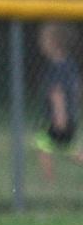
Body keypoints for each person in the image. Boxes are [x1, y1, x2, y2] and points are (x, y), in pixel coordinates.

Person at [33, 21, 83, 181]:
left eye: (44, 40)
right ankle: (49, 180)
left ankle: (49, 181)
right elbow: (77, 89)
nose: (41, 44)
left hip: (57, 118)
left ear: (53, 44)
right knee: (70, 150)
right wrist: (72, 111)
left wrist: (60, 116)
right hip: (71, 117)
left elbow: (57, 93)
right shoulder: (71, 65)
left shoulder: (55, 68)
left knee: (42, 145)